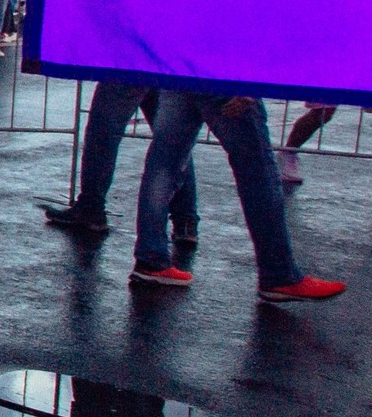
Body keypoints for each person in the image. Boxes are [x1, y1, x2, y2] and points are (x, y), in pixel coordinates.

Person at [126, 92, 344, 301]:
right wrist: (248, 87)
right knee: (258, 172)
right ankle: (279, 274)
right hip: (226, 79)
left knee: (164, 165)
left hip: (184, 72)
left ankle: (150, 257)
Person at [46, 82, 195, 240]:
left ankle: (91, 207)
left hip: (130, 63)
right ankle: (185, 221)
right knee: (173, 143)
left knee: (103, 131)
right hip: (163, 63)